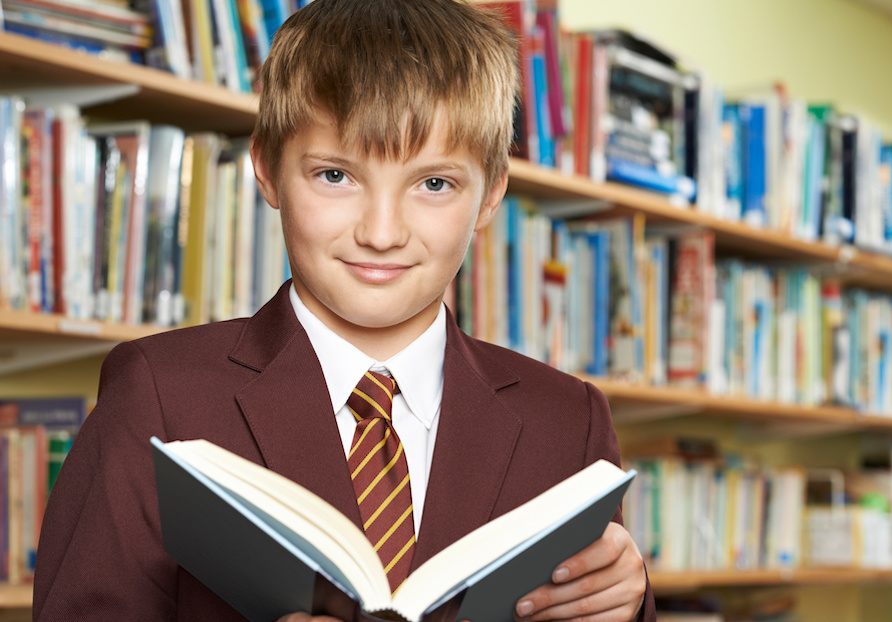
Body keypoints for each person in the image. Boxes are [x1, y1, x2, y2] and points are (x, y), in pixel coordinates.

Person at [33, 0, 655, 620]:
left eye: (434, 184)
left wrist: (625, 605)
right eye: (335, 175)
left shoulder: (568, 422)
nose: (381, 233)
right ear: (268, 171)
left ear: (490, 196)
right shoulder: (158, 394)